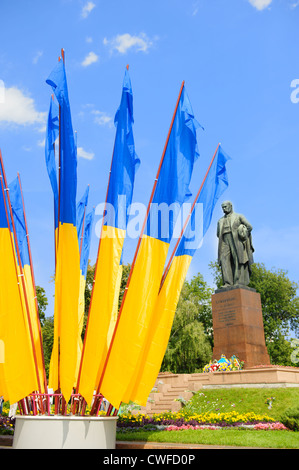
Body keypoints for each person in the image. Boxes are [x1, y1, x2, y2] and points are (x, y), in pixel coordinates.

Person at [217, 201, 254, 287]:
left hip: (236, 240)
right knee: (224, 260)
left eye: (225, 207)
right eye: (222, 207)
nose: (224, 209)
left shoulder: (239, 216)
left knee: (238, 259)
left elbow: (249, 227)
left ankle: (239, 282)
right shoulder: (220, 221)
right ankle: (227, 283)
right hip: (224, 240)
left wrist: (243, 233)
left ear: (231, 206)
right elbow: (218, 233)